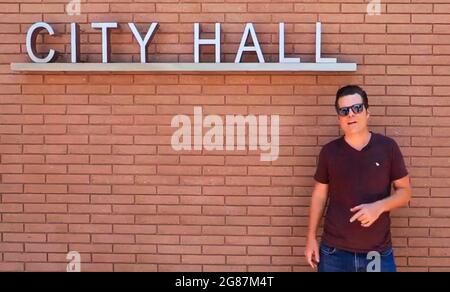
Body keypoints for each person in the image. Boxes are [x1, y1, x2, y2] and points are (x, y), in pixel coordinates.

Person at [304, 85, 412, 272]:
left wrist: (379, 207)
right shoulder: (329, 152)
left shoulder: (387, 148)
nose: (351, 114)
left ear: (367, 112)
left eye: (357, 108)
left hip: (376, 253)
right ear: (339, 118)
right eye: (344, 111)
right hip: (334, 253)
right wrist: (311, 237)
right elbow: (319, 195)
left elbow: (405, 191)